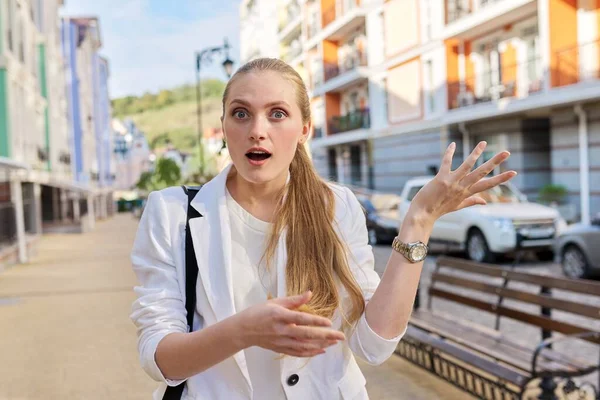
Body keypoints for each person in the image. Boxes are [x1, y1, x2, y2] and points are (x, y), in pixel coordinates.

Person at [130, 58, 516, 400]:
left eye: (277, 114)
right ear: (225, 125)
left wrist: (419, 221)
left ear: (305, 129)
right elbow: (161, 359)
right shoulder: (171, 212)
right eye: (241, 113)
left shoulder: (337, 205)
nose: (257, 130)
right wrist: (242, 331)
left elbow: (374, 343)